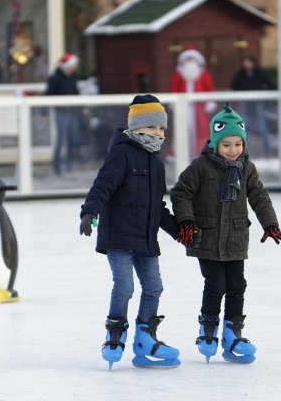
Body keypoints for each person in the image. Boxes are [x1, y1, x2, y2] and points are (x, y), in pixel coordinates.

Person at [170, 103, 281, 363]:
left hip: (236, 237)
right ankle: (208, 329)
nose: (232, 150)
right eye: (226, 144)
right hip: (207, 237)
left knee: (237, 285)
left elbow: (259, 197)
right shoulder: (200, 166)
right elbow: (180, 192)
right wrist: (187, 221)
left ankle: (233, 333)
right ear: (215, 143)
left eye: (238, 144)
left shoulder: (247, 168)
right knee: (216, 284)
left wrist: (270, 224)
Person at [79, 94, 183, 370]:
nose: (158, 134)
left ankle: (145, 339)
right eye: (152, 127)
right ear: (136, 127)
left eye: (162, 129)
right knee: (124, 287)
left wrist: (178, 231)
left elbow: (157, 207)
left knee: (154, 287)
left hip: (146, 238)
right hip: (119, 236)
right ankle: (115, 333)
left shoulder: (157, 164)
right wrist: (90, 210)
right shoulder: (121, 153)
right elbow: (103, 185)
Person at [169, 45, 216, 156]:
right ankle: (179, 153)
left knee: (201, 129)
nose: (190, 62)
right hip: (183, 106)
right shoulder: (179, 73)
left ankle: (201, 152)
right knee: (181, 128)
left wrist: (210, 101)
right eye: (188, 59)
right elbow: (174, 88)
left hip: (199, 106)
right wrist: (173, 101)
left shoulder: (203, 73)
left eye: (192, 59)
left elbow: (209, 88)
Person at [230, 55, 275, 157]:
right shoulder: (240, 74)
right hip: (245, 105)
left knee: (263, 128)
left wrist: (264, 97)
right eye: (245, 62)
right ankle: (246, 152)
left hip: (258, 105)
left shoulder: (260, 73)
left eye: (248, 62)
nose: (246, 64)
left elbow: (269, 85)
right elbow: (234, 86)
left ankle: (267, 151)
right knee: (245, 129)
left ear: (253, 63)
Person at [46, 52, 80, 175]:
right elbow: (48, 95)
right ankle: (57, 166)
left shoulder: (73, 77)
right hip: (61, 111)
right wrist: (44, 111)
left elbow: (76, 92)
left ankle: (68, 164)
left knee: (73, 137)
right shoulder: (54, 78)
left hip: (72, 111)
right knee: (60, 139)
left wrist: (81, 108)